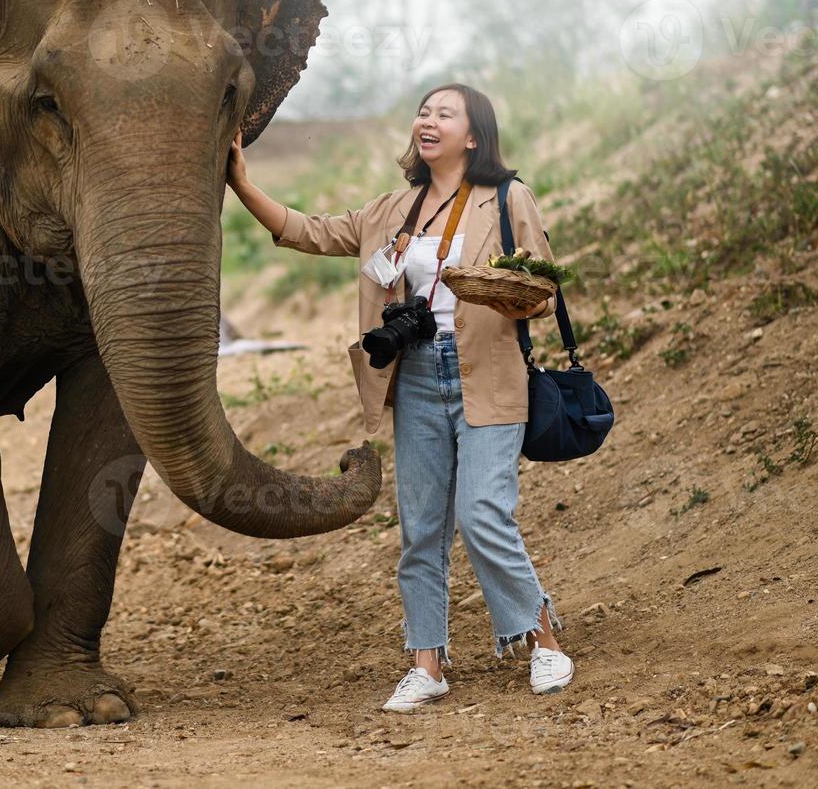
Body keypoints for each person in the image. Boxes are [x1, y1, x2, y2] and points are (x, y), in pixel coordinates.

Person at [226, 83, 574, 712]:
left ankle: (542, 637)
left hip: (487, 373)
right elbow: (310, 232)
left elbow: (543, 289)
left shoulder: (507, 199)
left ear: (473, 136)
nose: (428, 121)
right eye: (423, 111)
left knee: (483, 513)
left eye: (444, 114)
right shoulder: (393, 209)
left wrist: (493, 288)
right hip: (413, 376)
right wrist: (244, 186)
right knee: (421, 530)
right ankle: (427, 662)